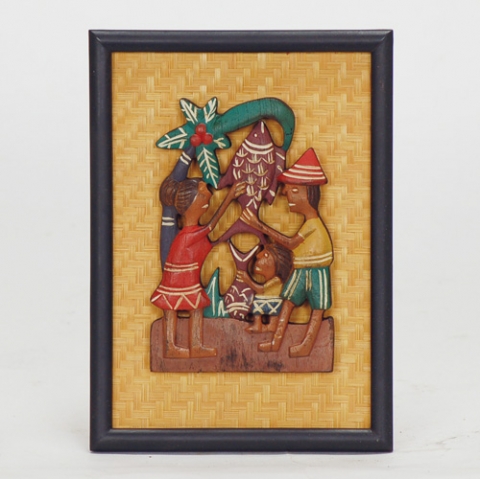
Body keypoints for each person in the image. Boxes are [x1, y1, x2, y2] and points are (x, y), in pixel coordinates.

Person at [241, 148, 333, 357]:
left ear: (307, 193)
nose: (286, 194)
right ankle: (276, 342)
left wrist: (259, 225)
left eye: (292, 191)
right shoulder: (309, 224)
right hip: (300, 269)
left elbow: (290, 244)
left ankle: (306, 345)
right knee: (288, 303)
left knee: (317, 308)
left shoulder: (313, 225)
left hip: (316, 271)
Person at [151, 176, 245, 358]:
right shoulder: (188, 235)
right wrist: (229, 197)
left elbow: (210, 244)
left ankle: (195, 345)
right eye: (202, 196)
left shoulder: (193, 234)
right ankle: (170, 347)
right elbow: (211, 226)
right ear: (190, 205)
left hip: (189, 278)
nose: (207, 198)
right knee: (171, 309)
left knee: (196, 308)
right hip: (178, 280)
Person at [236, 243, 293, 333]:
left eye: (266, 255)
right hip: (268, 300)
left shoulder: (276, 280)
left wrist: (248, 280)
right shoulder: (273, 279)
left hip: (273, 301)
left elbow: (261, 289)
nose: (258, 256)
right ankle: (261, 325)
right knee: (256, 299)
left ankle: (267, 325)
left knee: (256, 301)